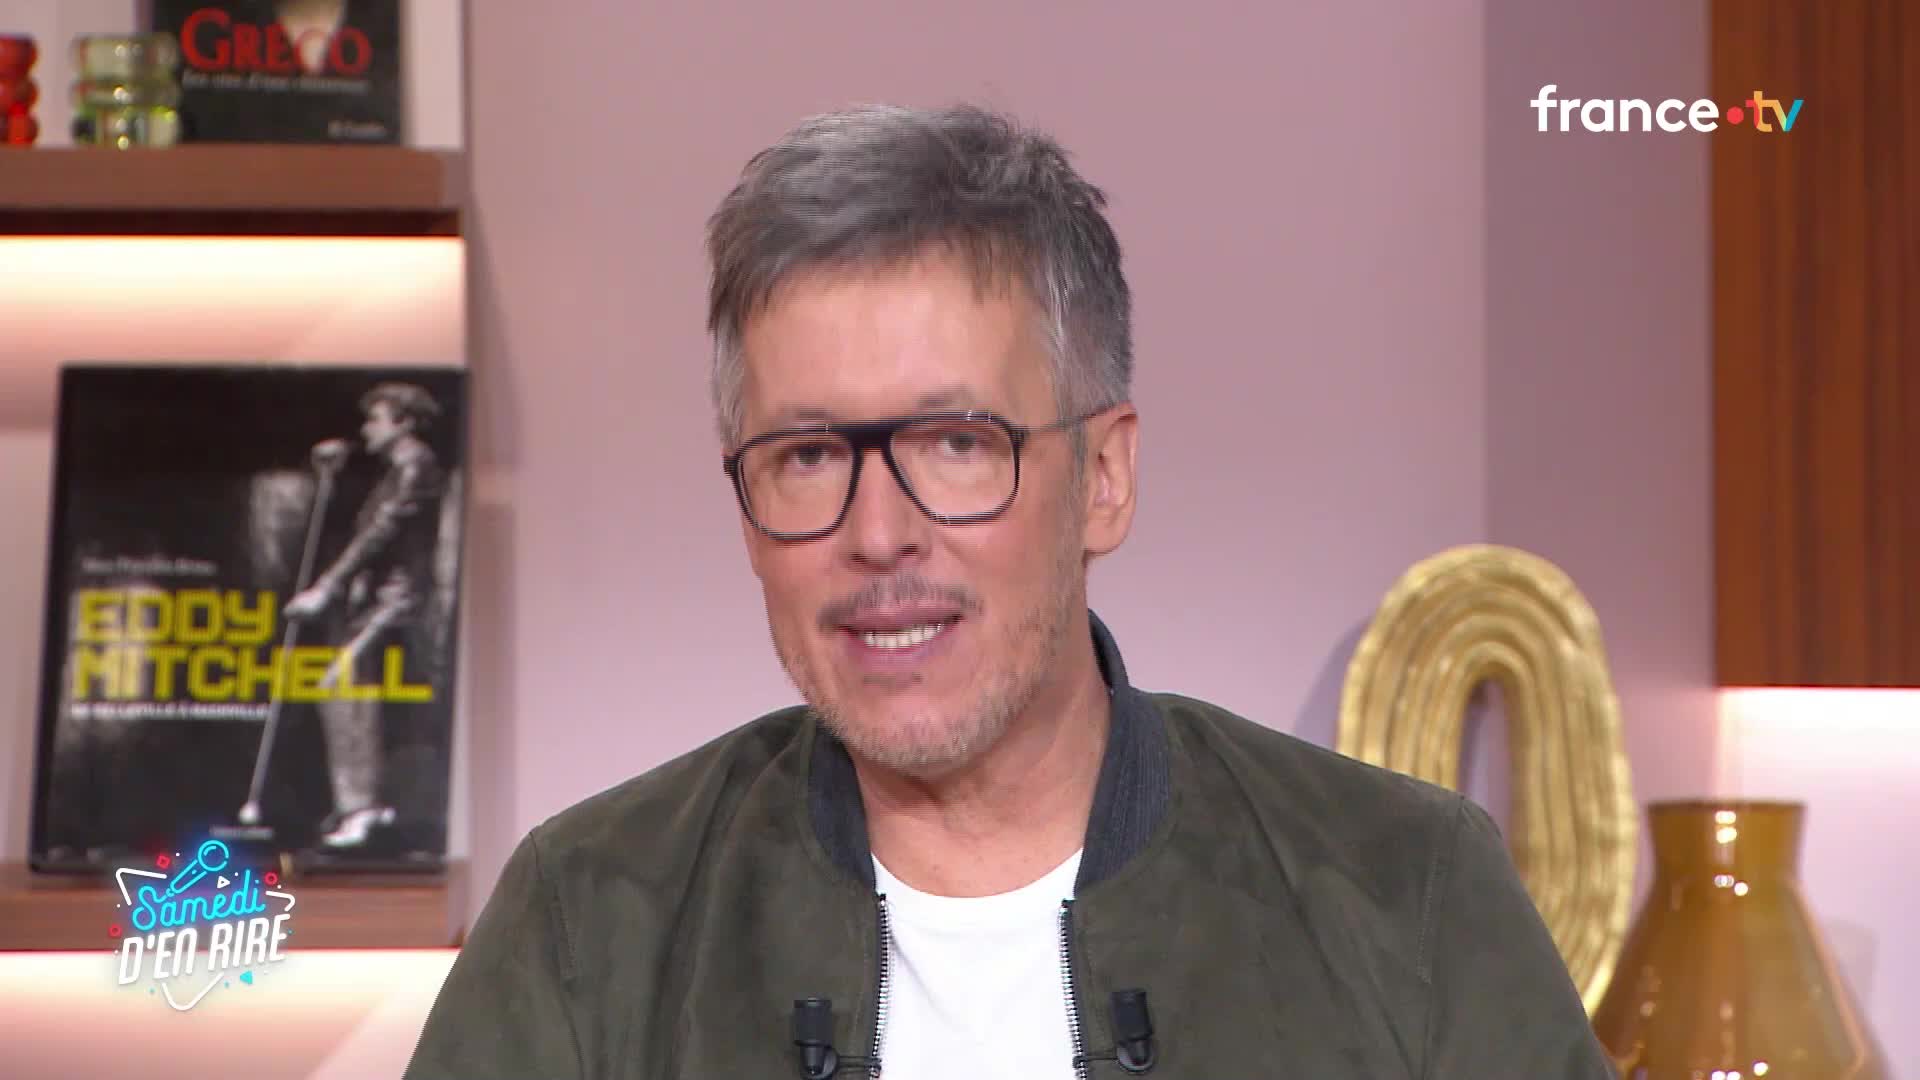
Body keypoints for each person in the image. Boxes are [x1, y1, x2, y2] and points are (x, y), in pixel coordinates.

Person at [403, 104, 1615, 1078]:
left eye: (956, 444)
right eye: (808, 455)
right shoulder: (588, 923)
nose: (878, 536)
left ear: (1105, 478)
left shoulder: (1406, 893)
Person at [283, 381, 447, 849]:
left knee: (343, 686)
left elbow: (378, 534)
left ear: (404, 423)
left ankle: (363, 807)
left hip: (399, 601)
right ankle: (362, 803)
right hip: (380, 598)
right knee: (350, 690)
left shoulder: (415, 467)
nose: (365, 428)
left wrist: (325, 588)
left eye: (375, 419)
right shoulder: (396, 468)